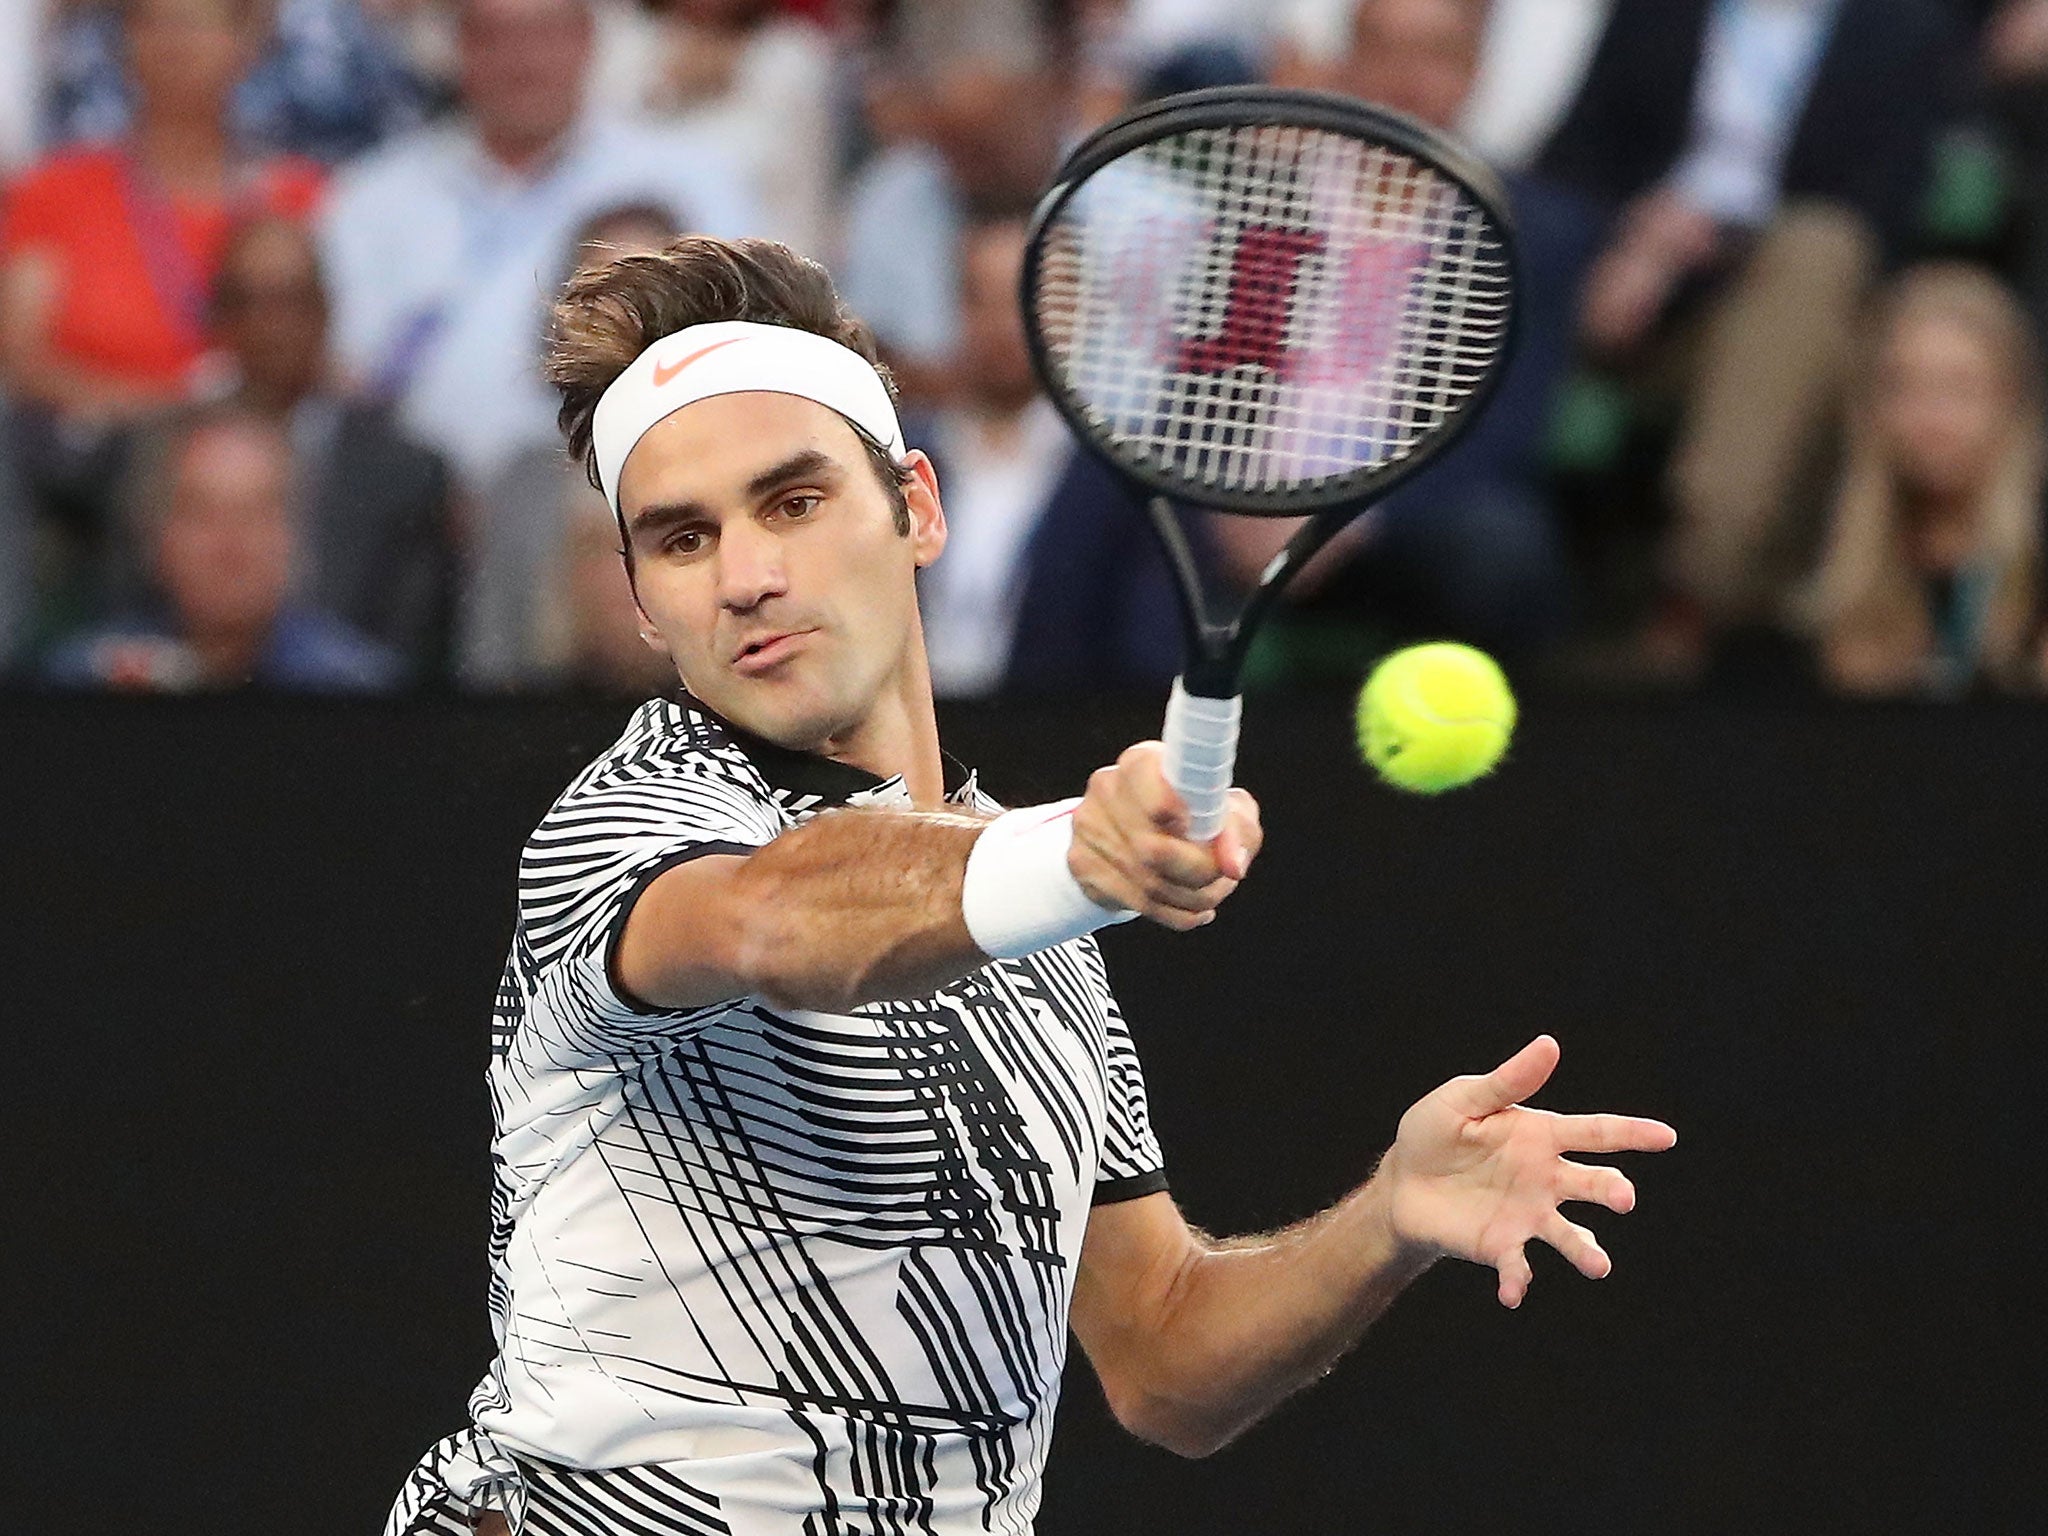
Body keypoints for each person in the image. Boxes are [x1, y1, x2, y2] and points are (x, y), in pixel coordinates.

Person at [382, 234, 1676, 1535]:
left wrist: (1388, 1217)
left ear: (918, 508)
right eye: (680, 539)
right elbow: (776, 916)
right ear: (647, 606)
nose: (745, 576)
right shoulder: (631, 823)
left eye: (794, 501)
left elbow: (1165, 1360)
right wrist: (1072, 856)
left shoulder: (1039, 934)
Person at [318, 0, 756, 491]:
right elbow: (347, 377)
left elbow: (739, 355)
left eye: (546, 32)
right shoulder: (373, 199)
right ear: (459, 46)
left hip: (621, 493)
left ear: (588, 39)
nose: (523, 60)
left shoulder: (690, 181)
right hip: (408, 511)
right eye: (495, 36)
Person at [106, 213, 457, 672]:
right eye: (245, 301)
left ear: (326, 310)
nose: (268, 324)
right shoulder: (156, 448)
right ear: (217, 317)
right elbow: (124, 615)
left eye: (290, 300)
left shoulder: (407, 472)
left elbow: (408, 654)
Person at [42, 404, 404, 691]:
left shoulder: (362, 692)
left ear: (295, 536)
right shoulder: (82, 684)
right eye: (201, 514)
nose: (233, 545)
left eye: (257, 513)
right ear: (154, 536)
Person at [1809, 264, 2047, 696]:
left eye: (1961, 389)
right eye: (1906, 388)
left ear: (2012, 401)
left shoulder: (2037, 562)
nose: (1933, 420)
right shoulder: (1827, 560)